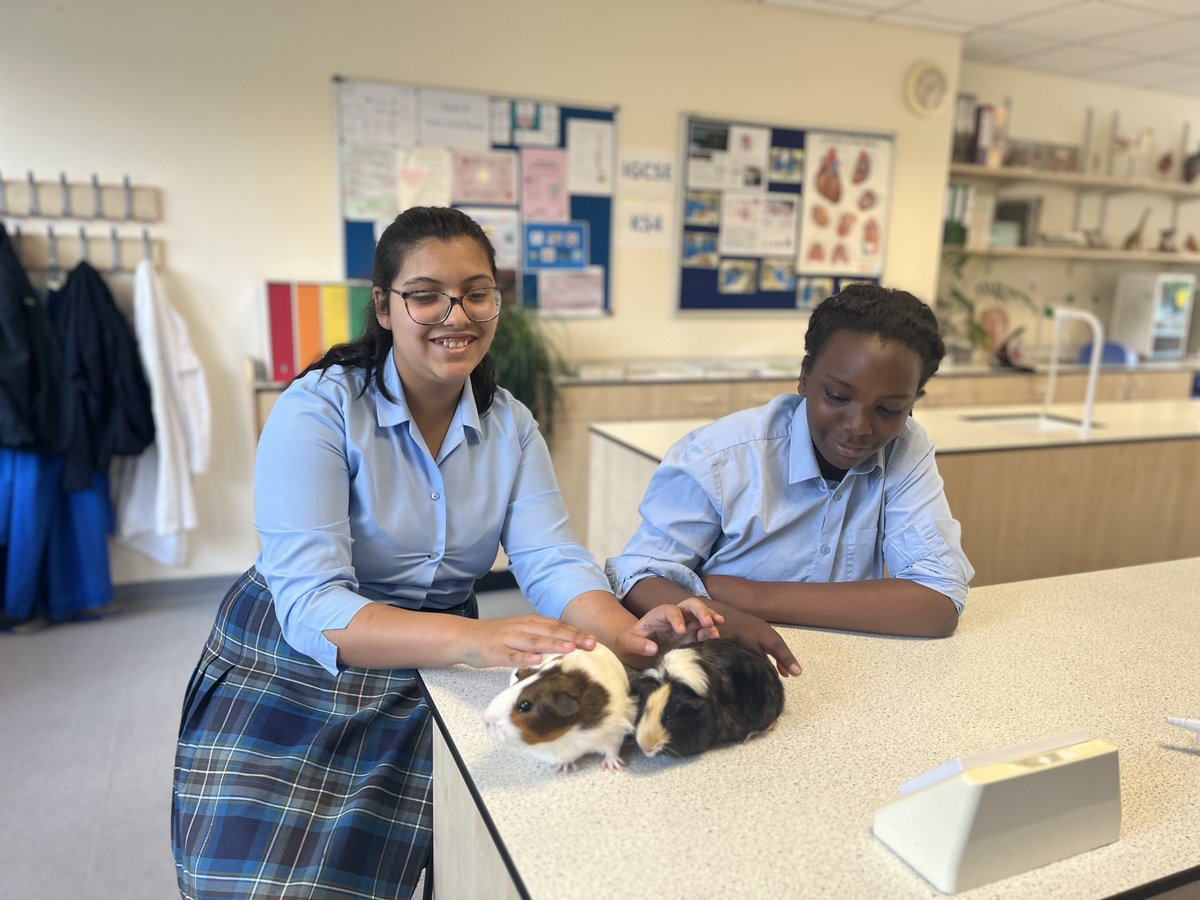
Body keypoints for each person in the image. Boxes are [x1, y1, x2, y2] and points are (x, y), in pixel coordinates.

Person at [172, 207, 719, 900]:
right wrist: (479, 640)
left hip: (437, 656)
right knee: (260, 881)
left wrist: (623, 631)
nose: (454, 313)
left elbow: (549, 559)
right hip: (298, 654)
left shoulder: (511, 426)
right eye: (426, 294)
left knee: (475, 850)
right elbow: (311, 603)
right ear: (384, 306)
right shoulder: (319, 408)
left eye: (476, 291)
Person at [609, 283, 974, 676]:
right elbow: (637, 577)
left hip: (846, 672)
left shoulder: (905, 447)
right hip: (719, 671)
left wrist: (748, 597)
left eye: (889, 408)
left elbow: (937, 603)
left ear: (914, 401)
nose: (858, 426)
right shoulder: (719, 458)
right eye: (836, 396)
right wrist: (719, 616)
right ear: (804, 378)